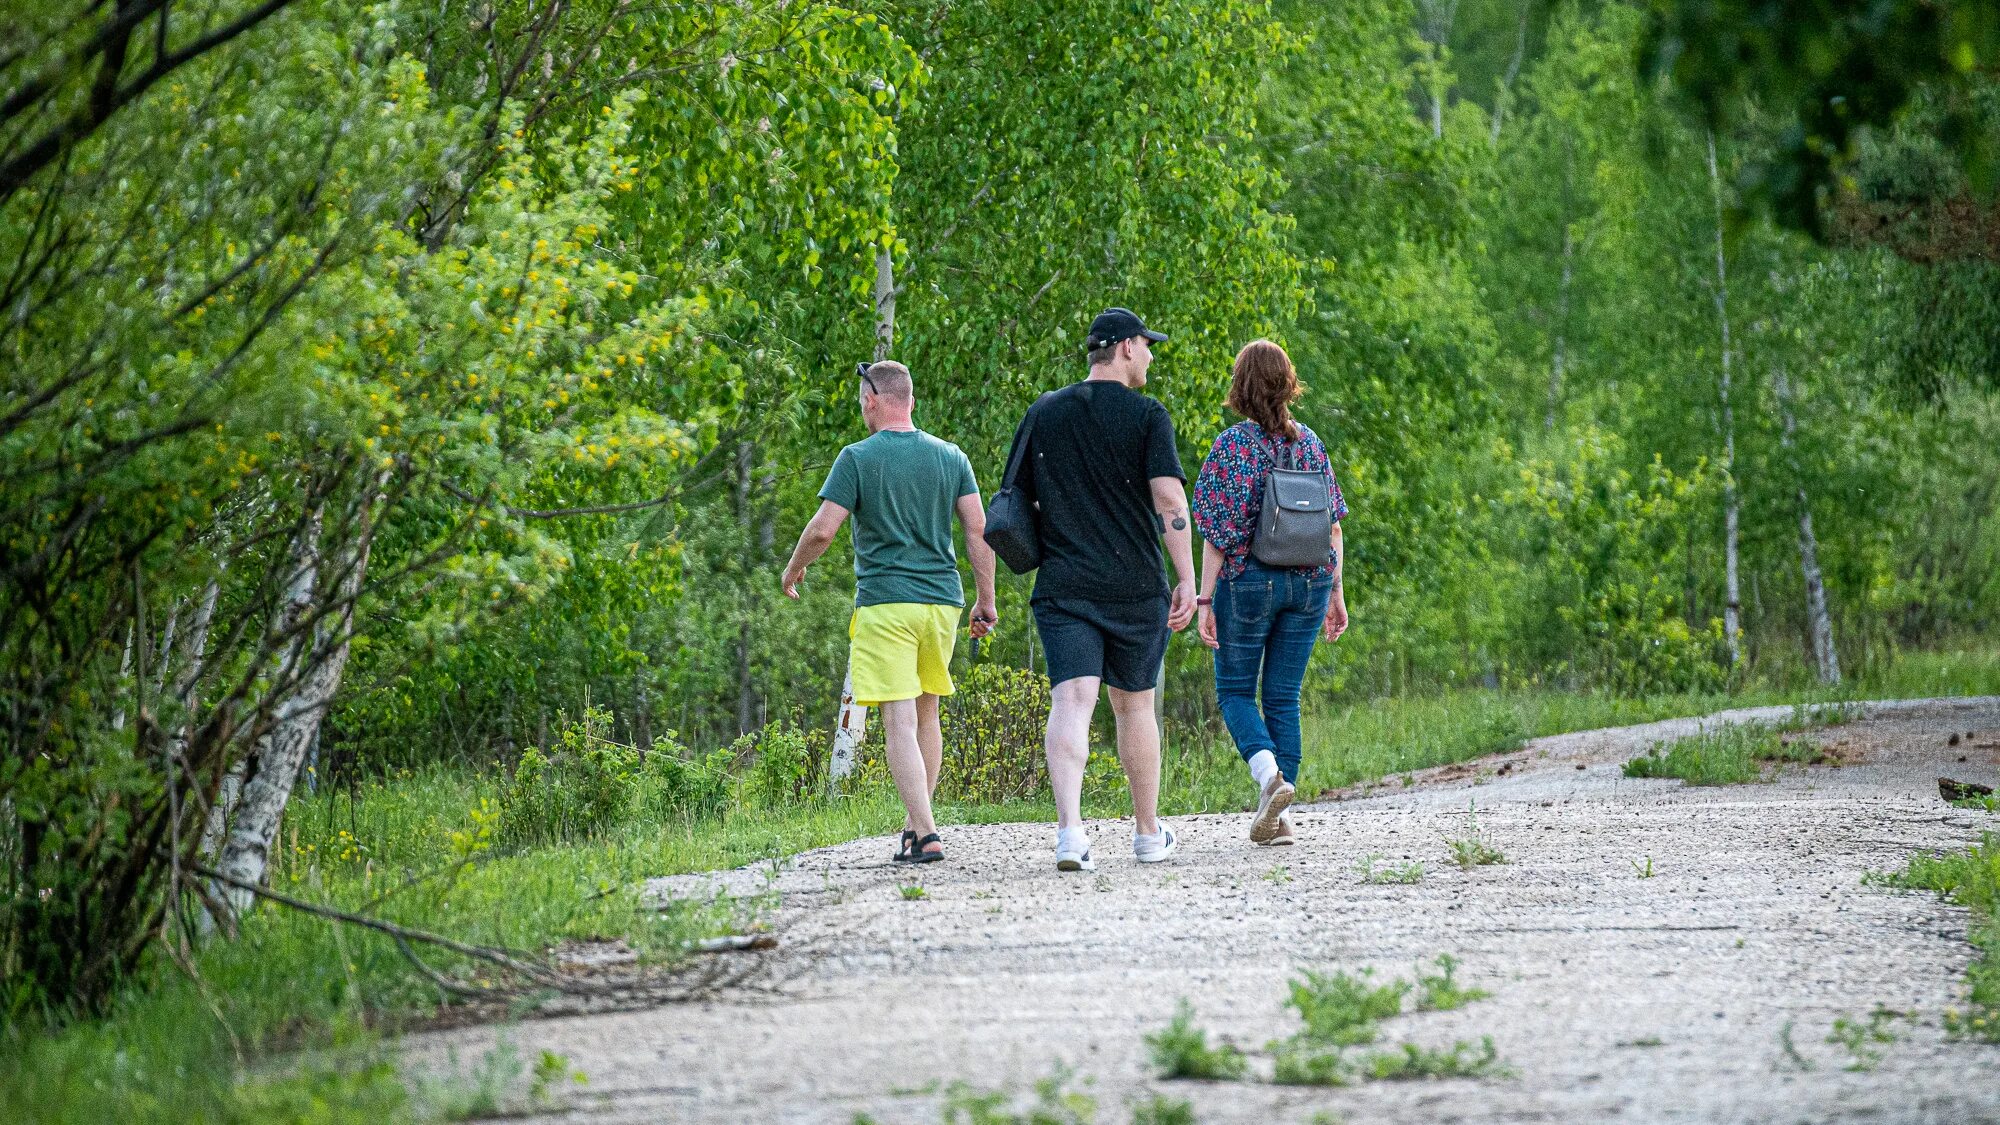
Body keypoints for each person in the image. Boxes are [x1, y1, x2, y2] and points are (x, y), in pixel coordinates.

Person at [997, 307, 1197, 872]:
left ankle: (1070, 833)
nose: (1152, 356)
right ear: (1128, 347)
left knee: (1071, 701)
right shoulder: (1148, 416)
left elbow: (1012, 502)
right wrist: (1187, 578)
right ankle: (1148, 834)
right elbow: (1170, 502)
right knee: (1134, 707)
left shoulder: (1044, 412)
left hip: (1064, 586)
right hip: (1135, 587)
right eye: (1148, 345)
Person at [782, 360, 998, 864]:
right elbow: (977, 529)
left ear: (872, 400)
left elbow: (822, 530)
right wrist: (986, 600)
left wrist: (793, 570)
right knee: (928, 714)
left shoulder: (857, 458)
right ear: (913, 401)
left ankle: (926, 834)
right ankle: (913, 827)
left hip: (886, 604)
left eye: (861, 399)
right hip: (942, 604)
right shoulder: (952, 457)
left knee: (898, 722)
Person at [1191, 339, 1349, 846]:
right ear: (1287, 384)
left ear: (1240, 387)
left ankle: (1269, 778)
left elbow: (1217, 531)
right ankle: (1279, 820)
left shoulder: (1232, 446)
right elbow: (1334, 527)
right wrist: (1336, 594)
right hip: (1310, 580)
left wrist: (1204, 599)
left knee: (1236, 691)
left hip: (1251, 582)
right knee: (1283, 695)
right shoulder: (1311, 443)